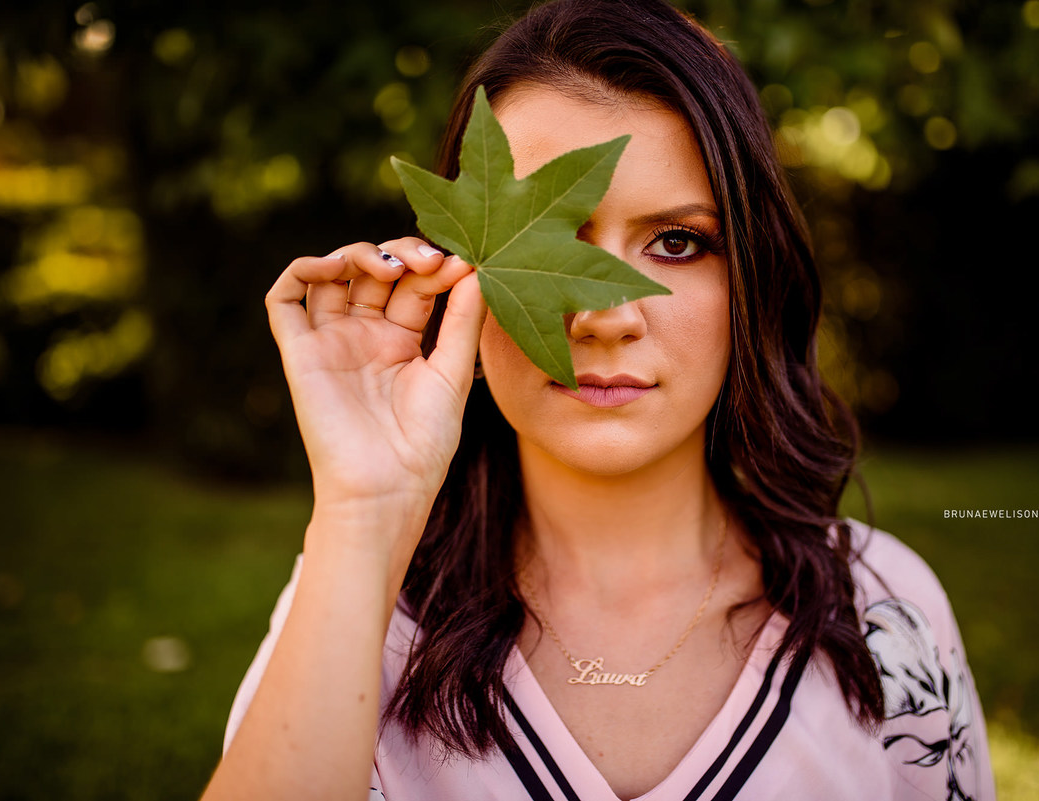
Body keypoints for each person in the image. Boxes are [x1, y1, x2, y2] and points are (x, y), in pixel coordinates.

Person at [202, 0, 995, 798]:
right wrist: (364, 509)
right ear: (454, 279)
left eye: (678, 242)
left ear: (750, 278)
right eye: (545, 246)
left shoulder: (883, 612)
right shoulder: (355, 608)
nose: (605, 316)